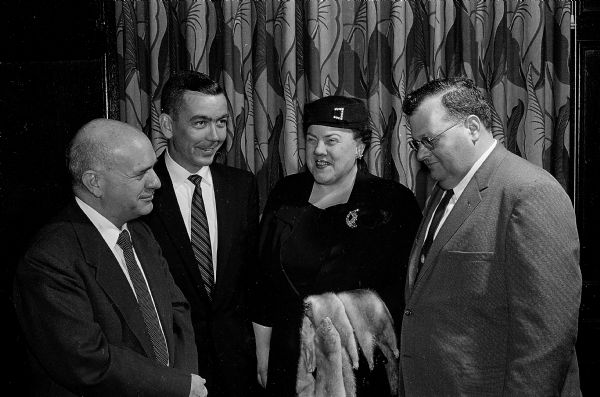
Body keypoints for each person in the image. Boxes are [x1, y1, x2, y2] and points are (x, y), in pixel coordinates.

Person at [399, 77, 581, 395]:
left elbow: (546, 338)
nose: (421, 155)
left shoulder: (530, 192)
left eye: (430, 141)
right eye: (416, 144)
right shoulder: (442, 193)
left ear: (472, 127)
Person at [13, 119, 207, 397]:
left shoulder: (140, 234)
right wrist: (176, 386)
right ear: (95, 183)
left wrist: (183, 379)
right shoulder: (50, 259)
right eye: (141, 173)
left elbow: (177, 311)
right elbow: (86, 359)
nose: (156, 181)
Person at [252, 95, 422, 396]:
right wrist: (263, 354)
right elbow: (263, 283)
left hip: (362, 368)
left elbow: (409, 294)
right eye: (311, 139)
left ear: (360, 147)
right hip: (290, 362)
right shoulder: (286, 192)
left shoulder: (393, 201)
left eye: (331, 140)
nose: (318, 150)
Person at [141, 71, 260, 397]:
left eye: (221, 122)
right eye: (200, 123)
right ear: (167, 126)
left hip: (237, 368)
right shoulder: (141, 191)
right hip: (171, 368)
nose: (215, 135)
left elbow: (251, 279)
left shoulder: (241, 186)